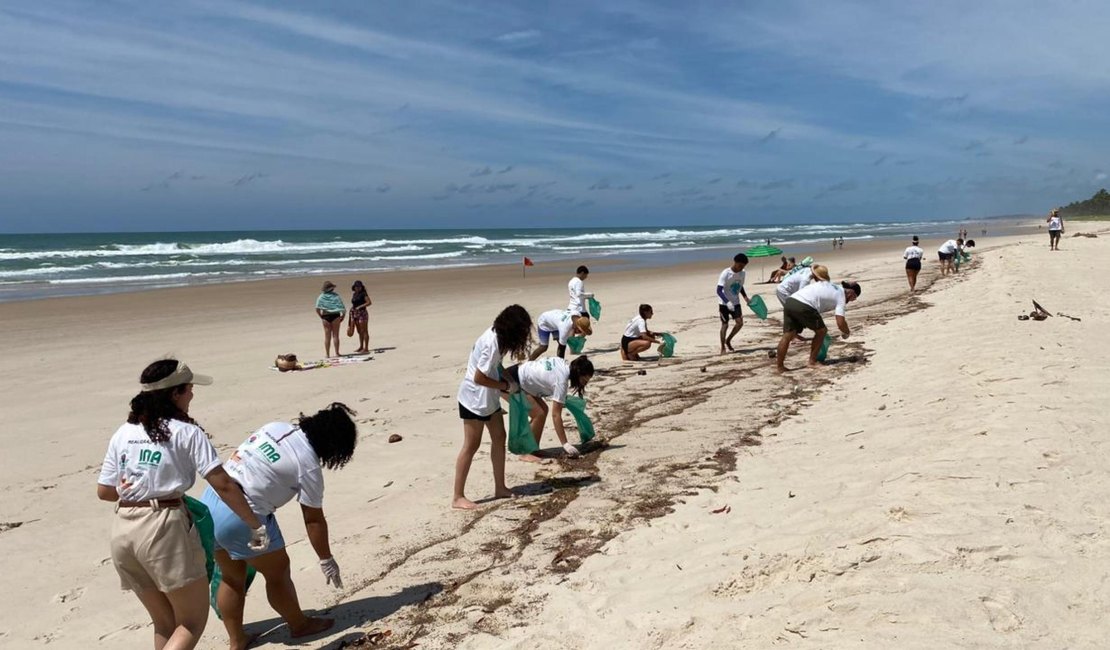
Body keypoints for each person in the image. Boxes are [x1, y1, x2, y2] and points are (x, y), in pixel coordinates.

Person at [97, 359, 266, 650]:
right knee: (191, 622)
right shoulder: (187, 432)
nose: (192, 394)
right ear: (174, 394)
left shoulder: (124, 431)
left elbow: (104, 491)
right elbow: (223, 484)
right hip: (163, 526)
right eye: (188, 388)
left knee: (165, 623)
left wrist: (138, 490)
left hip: (123, 529)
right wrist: (254, 524)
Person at [202, 403, 359, 649]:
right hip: (243, 519)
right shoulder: (308, 467)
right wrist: (326, 559)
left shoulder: (275, 427)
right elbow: (313, 519)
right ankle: (299, 625)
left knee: (232, 578)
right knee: (277, 573)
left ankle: (237, 639)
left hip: (211, 503)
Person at [454, 305, 533, 510]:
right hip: (473, 399)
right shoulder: (492, 343)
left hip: (488, 400)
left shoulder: (498, 337)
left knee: (499, 437)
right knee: (471, 445)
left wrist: (509, 380)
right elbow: (479, 377)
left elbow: (496, 366)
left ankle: (500, 487)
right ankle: (457, 496)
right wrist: (505, 386)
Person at [503, 356, 594, 458]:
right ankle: (526, 452)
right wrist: (565, 444)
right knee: (538, 414)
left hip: (519, 375)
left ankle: (534, 449)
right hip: (510, 381)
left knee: (543, 410)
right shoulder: (561, 382)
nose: (584, 384)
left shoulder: (562, 363)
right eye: (584, 381)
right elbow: (556, 415)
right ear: (578, 373)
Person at [775, 271, 861, 373]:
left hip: (791, 301)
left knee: (788, 335)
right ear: (851, 293)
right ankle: (812, 362)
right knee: (822, 331)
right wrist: (846, 332)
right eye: (854, 298)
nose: (851, 301)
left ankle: (780, 367)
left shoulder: (831, 285)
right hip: (804, 305)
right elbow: (840, 322)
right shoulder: (841, 296)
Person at [717, 253, 752, 354]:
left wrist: (745, 297)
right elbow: (719, 290)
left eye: (743, 266)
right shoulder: (726, 273)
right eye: (740, 265)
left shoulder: (743, 273)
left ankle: (728, 340)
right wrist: (727, 302)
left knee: (740, 323)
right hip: (724, 303)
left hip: (736, 302)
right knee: (725, 325)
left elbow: (740, 286)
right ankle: (723, 347)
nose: (741, 268)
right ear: (735, 263)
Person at [315, 281, 345, 358]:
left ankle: (327, 354)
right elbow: (341, 307)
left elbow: (317, 309)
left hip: (326, 316)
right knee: (335, 335)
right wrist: (343, 316)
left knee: (327, 336)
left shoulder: (321, 297)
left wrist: (321, 316)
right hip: (335, 316)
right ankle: (337, 353)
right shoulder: (336, 296)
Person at [349, 280, 371, 354]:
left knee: (364, 330)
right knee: (359, 331)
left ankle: (366, 348)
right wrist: (352, 308)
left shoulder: (363, 294)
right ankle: (361, 346)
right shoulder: (354, 294)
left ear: (361, 287)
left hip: (362, 313)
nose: (357, 288)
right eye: (356, 286)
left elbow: (369, 302)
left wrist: (360, 307)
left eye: (359, 286)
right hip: (355, 314)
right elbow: (354, 303)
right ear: (354, 287)